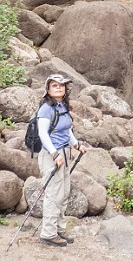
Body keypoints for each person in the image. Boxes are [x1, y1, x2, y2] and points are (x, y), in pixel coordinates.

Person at [37, 74, 87, 247]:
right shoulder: (46, 108)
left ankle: (59, 229)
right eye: (54, 86)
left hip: (64, 153)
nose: (58, 88)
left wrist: (76, 144)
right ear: (48, 90)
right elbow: (43, 134)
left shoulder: (62, 106)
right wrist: (54, 154)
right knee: (53, 195)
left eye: (61, 86)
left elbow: (66, 131)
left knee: (64, 192)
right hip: (52, 156)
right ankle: (48, 234)